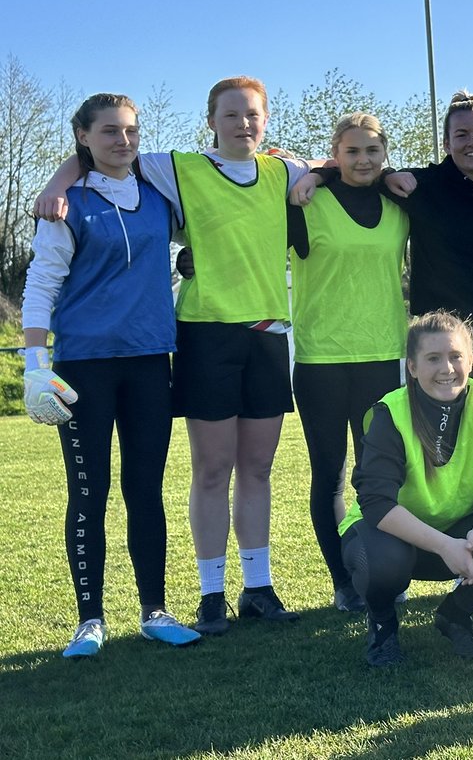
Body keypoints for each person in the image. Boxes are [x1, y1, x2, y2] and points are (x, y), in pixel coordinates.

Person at [35, 76, 319, 634]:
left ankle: (258, 587)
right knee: (212, 470)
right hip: (203, 335)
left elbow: (332, 164)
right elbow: (103, 152)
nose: (243, 124)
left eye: (252, 114)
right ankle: (210, 594)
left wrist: (314, 170)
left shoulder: (282, 171)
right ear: (210, 121)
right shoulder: (176, 169)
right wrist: (56, 182)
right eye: (231, 114)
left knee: (258, 469)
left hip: (268, 334)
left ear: (265, 120)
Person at [22, 93, 199, 656]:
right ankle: (89, 619)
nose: (123, 141)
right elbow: (41, 285)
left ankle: (155, 610)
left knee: (145, 489)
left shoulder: (162, 196)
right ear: (83, 137)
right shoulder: (65, 205)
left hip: (150, 362)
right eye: (109, 131)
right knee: (88, 491)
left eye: (130, 131)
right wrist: (34, 363)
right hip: (84, 368)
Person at [339, 311, 473, 666]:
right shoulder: (390, 412)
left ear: (470, 360)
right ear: (412, 367)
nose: (447, 368)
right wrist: (446, 546)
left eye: (455, 356)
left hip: (457, 533)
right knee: (382, 563)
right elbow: (376, 503)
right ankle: (383, 625)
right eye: (433, 358)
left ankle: (454, 615)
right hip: (390, 536)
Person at [289, 113, 409, 613]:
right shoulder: (304, 201)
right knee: (330, 475)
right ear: (335, 153)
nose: (363, 160)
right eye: (352, 151)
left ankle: (381, 571)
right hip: (320, 358)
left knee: (379, 475)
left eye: (372, 151)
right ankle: (343, 582)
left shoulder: (400, 204)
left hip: (382, 356)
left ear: (385, 155)